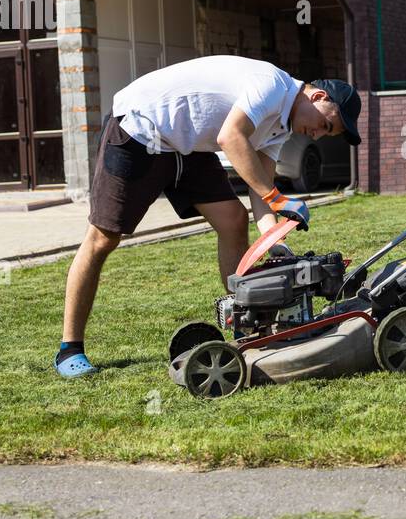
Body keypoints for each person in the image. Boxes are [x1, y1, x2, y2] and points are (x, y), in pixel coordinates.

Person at [54, 55, 360, 378]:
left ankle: (245, 328)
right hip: (141, 128)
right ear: (318, 97)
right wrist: (277, 197)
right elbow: (231, 138)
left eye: (327, 134)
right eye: (326, 125)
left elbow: (260, 189)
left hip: (187, 148)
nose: (317, 135)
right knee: (103, 239)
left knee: (233, 218)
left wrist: (275, 243)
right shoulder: (272, 85)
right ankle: (69, 349)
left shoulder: (281, 128)